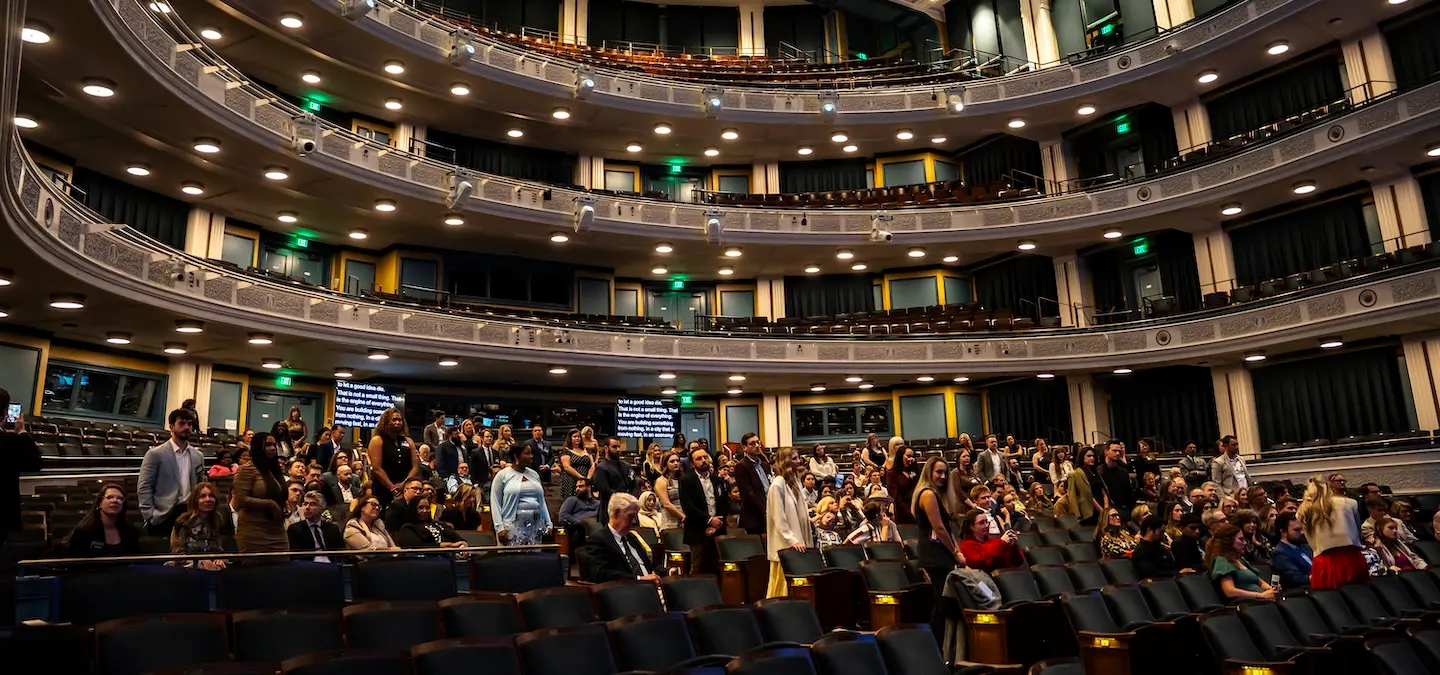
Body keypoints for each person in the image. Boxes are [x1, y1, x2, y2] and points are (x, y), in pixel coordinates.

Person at [914, 457, 962, 645]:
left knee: (944, 603)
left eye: (945, 472)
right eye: (938, 472)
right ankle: (934, 646)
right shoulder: (927, 494)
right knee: (941, 604)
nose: (942, 476)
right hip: (935, 555)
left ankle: (943, 645)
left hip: (940, 553)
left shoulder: (937, 495)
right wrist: (955, 552)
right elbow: (939, 528)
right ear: (929, 473)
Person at [137, 408, 207, 537]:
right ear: (171, 427)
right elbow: (144, 487)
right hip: (163, 514)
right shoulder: (155, 454)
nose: (187, 427)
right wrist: (149, 515)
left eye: (190, 424)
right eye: (181, 423)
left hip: (190, 513)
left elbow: (201, 484)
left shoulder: (198, 456)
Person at [1298, 475, 1366, 590]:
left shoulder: (1304, 509)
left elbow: (1311, 541)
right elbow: (1359, 532)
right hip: (1351, 557)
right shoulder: (1350, 503)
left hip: (1323, 562)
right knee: (1358, 598)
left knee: (1329, 602)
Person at [583, 493, 665, 583]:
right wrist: (638, 579)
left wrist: (667, 571)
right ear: (616, 513)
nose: (634, 521)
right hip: (624, 591)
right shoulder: (598, 540)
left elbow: (649, 566)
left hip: (651, 588)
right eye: (630, 516)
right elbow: (599, 573)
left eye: (635, 516)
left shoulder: (631, 537)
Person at [765, 446, 812, 597]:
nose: (799, 461)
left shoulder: (795, 481)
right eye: (794, 459)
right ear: (785, 461)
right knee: (784, 583)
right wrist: (792, 540)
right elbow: (778, 517)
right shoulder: (777, 484)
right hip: (786, 543)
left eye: (798, 457)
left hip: (800, 538)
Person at [231, 432, 290, 553]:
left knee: (282, 567)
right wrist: (269, 504)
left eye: (274, 445)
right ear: (258, 446)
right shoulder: (247, 469)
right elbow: (241, 500)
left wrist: (284, 506)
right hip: (253, 531)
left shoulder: (274, 471)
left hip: (276, 529)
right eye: (268, 445)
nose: (273, 448)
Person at [679, 446, 729, 575]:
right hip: (697, 530)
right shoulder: (686, 480)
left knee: (718, 567)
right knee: (698, 568)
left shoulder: (716, 479)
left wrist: (716, 524)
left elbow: (724, 504)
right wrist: (708, 520)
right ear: (692, 463)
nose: (703, 460)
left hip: (718, 529)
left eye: (705, 457)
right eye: (699, 458)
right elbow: (688, 507)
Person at [491, 444, 551, 546]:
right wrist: (499, 528)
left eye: (531, 453)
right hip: (512, 525)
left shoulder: (534, 474)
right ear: (516, 456)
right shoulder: (502, 475)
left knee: (534, 557)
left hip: (535, 525)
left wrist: (548, 523)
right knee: (514, 558)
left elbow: (541, 501)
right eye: (527, 453)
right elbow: (495, 501)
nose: (531, 456)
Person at [63, 483, 141, 557]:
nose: (115, 501)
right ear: (99, 503)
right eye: (110, 497)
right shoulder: (83, 532)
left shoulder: (130, 531)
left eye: (120, 498)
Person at [1206, 523, 1275, 601]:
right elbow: (1230, 591)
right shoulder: (1221, 561)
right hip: (1247, 604)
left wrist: (1271, 590)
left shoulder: (1239, 560)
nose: (1245, 543)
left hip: (1261, 601)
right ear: (1228, 542)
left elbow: (1260, 582)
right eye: (1241, 539)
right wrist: (1260, 595)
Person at [169, 482, 229, 569]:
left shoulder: (220, 521)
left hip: (213, 567)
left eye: (212, 496)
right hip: (187, 567)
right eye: (202, 496)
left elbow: (222, 549)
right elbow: (178, 551)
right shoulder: (183, 522)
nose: (208, 499)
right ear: (195, 500)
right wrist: (199, 563)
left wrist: (219, 559)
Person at [368, 408, 417, 507]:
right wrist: (392, 488)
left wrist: (404, 484)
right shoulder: (377, 440)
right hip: (383, 489)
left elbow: (415, 467)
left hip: (405, 488)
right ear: (386, 422)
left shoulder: (408, 441)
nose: (398, 422)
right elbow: (377, 468)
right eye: (394, 420)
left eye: (400, 420)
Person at [960, 507, 1024, 572]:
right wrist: (1002, 543)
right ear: (971, 526)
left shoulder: (994, 541)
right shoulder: (967, 545)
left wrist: (1013, 546)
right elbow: (981, 563)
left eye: (987, 522)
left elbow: (1017, 562)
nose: (986, 525)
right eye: (981, 523)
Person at [288, 490, 344, 562]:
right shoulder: (295, 529)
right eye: (305, 504)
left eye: (312, 504)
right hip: (309, 567)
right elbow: (296, 557)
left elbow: (341, 553)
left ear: (321, 508)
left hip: (331, 564)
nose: (307, 507)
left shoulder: (333, 529)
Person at [734, 432, 772, 536]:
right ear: (744, 448)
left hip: (769, 512)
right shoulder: (742, 466)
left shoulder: (764, 464)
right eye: (752, 444)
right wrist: (765, 510)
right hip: (754, 516)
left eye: (758, 442)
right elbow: (748, 494)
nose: (756, 446)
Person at [394, 496, 466, 549]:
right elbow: (417, 547)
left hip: (449, 556)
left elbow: (459, 539)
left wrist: (463, 546)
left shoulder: (438, 524)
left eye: (427, 508)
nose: (425, 511)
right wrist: (446, 545)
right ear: (413, 509)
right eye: (421, 508)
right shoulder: (407, 528)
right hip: (426, 561)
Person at [1272, 512, 1313, 590]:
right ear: (1283, 532)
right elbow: (1295, 579)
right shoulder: (1280, 553)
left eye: (1302, 529)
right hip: (1304, 592)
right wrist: (1318, 578)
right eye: (1297, 530)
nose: (1302, 533)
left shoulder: (1305, 546)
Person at [593, 436, 635, 511]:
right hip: (610, 508)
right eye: (614, 447)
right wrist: (623, 497)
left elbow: (633, 484)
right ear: (606, 448)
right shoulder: (601, 468)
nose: (618, 449)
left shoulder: (626, 466)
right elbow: (605, 490)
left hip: (627, 506)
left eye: (619, 446)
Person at [1065, 446, 1101, 527]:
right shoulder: (1075, 474)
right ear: (1082, 457)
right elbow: (1072, 496)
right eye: (1089, 456)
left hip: (1101, 505)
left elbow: (1103, 490)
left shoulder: (1096, 471)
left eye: (1093, 456)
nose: (1092, 458)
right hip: (1087, 511)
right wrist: (1077, 514)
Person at [1097, 440, 1134, 515]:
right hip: (1104, 512)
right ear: (1106, 452)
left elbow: (1129, 496)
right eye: (1114, 451)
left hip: (1123, 511)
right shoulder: (1098, 472)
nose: (1117, 453)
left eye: (1119, 451)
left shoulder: (1123, 473)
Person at [558, 428, 595, 500]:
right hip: (571, 480)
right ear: (570, 438)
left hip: (586, 480)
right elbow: (567, 467)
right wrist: (580, 477)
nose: (577, 438)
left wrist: (587, 479)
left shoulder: (587, 450)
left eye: (579, 437)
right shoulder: (566, 451)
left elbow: (592, 465)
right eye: (575, 437)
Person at [886, 443, 919, 524]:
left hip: (917, 509)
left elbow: (920, 483)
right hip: (903, 513)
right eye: (908, 456)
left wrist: (915, 466)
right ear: (901, 456)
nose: (910, 459)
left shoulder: (913, 472)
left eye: (912, 456)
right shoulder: (892, 473)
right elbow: (896, 496)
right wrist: (909, 512)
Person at [653, 451, 686, 531]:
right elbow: (666, 504)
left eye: (677, 461)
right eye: (672, 461)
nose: (676, 463)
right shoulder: (661, 481)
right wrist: (683, 516)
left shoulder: (683, 479)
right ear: (665, 464)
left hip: (685, 519)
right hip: (670, 521)